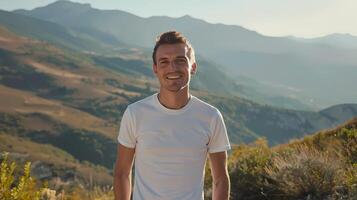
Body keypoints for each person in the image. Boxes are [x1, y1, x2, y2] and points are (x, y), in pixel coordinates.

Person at [114, 31, 231, 200]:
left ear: (193, 67)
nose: (172, 68)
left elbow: (220, 179)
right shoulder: (135, 114)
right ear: (155, 68)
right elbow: (122, 173)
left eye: (180, 60)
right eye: (164, 62)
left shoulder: (211, 117)